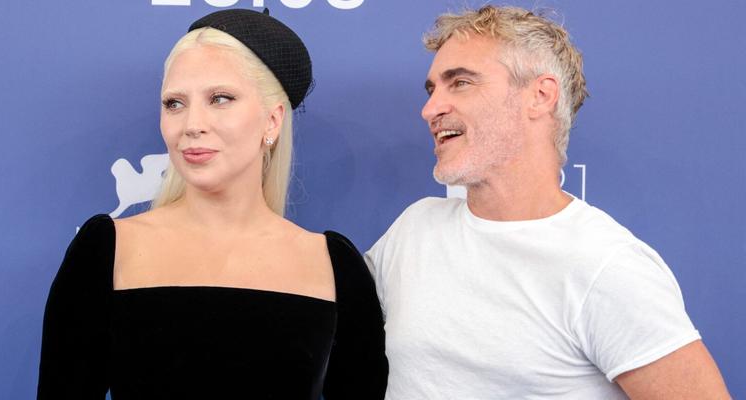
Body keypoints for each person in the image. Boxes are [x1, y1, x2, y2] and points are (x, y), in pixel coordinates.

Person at [365, 5, 730, 399]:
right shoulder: (415, 228)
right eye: (433, 88)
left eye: (461, 83)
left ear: (540, 96)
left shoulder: (605, 267)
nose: (430, 109)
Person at [38, 9, 387, 399]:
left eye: (220, 98)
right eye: (174, 103)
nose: (191, 124)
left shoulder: (333, 265)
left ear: (272, 122)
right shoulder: (106, 249)